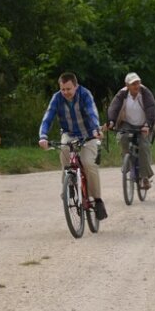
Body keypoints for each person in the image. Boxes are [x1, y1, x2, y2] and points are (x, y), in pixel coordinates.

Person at [38, 72, 107, 220]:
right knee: (64, 150)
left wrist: (96, 129)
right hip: (69, 134)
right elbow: (47, 118)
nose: (65, 92)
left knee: (89, 164)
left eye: (68, 89)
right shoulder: (57, 98)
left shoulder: (85, 94)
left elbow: (92, 113)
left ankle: (97, 200)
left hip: (89, 135)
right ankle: (69, 183)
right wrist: (43, 136)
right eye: (62, 89)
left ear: (76, 86)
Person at [106, 72, 155, 190]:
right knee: (122, 138)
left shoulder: (145, 93)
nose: (136, 86)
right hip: (127, 123)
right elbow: (114, 108)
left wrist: (148, 125)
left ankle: (144, 177)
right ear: (127, 85)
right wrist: (111, 122)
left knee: (144, 146)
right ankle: (128, 163)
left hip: (144, 124)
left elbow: (151, 109)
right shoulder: (122, 94)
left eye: (138, 83)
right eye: (133, 84)